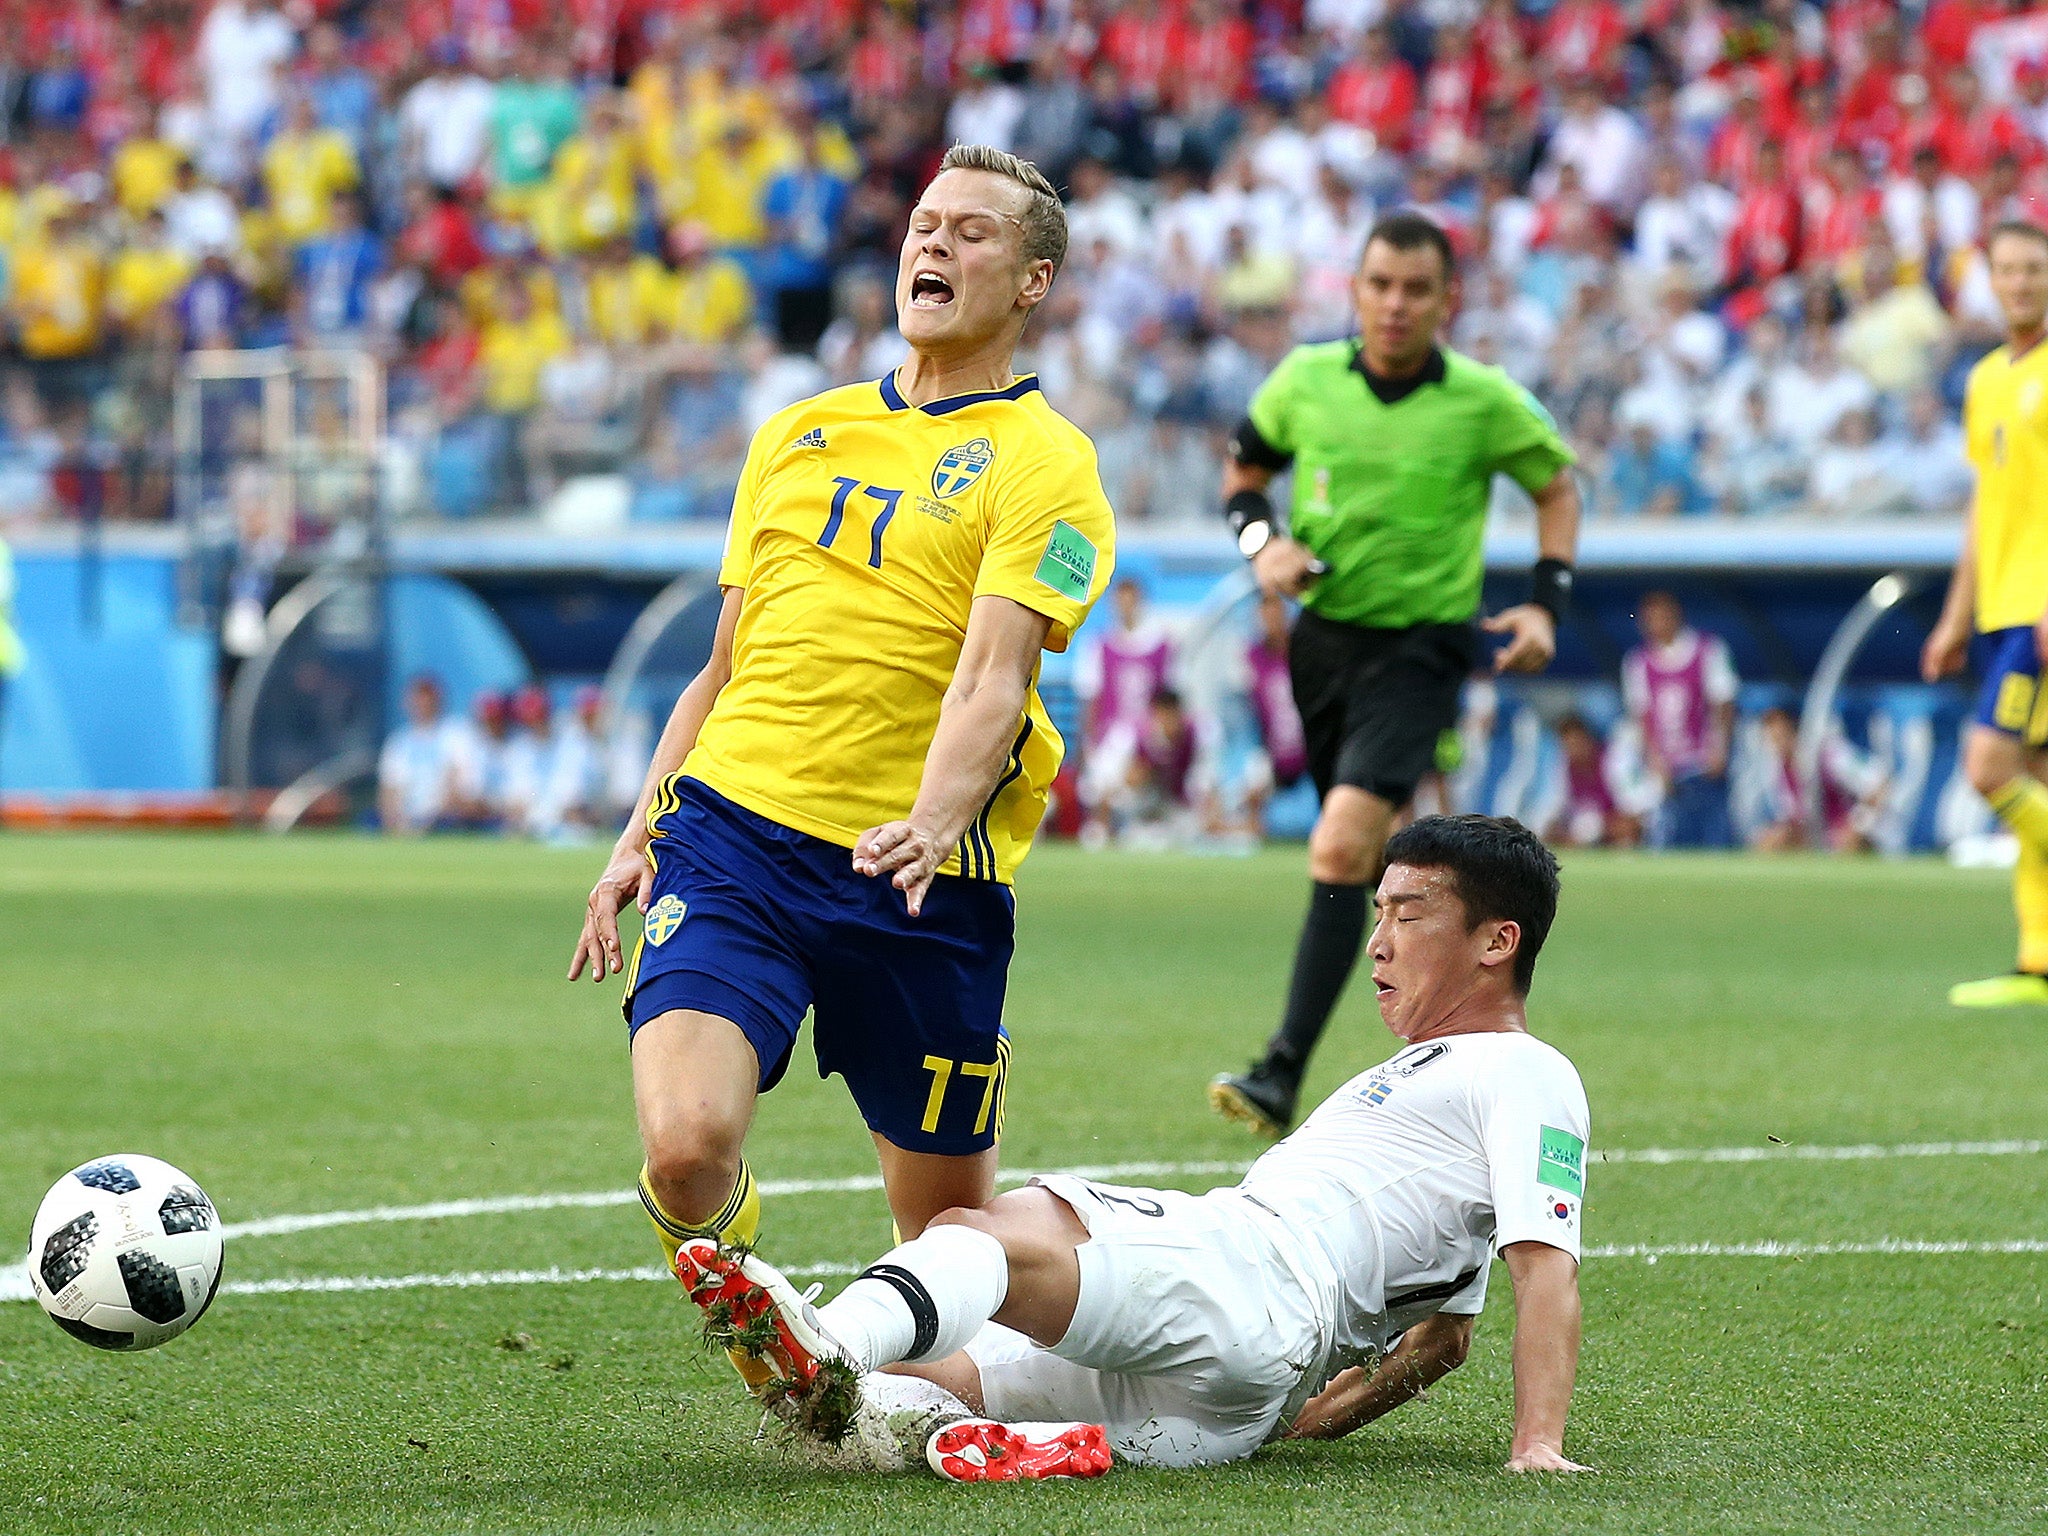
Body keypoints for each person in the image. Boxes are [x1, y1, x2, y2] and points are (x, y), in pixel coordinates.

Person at [566, 148, 1117, 1362]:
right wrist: (637, 829)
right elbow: (720, 666)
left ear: (1031, 281)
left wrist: (930, 816)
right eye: (924, 224)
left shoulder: (1048, 464)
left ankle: (1146, 1343)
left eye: (973, 234)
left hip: (919, 876)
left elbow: (992, 674)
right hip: (735, 833)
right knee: (685, 1144)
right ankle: (774, 1340)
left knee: (952, 1240)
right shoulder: (796, 434)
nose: (934, 246)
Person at [676, 816, 1592, 1481]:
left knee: (988, 1230)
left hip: (1258, 1267)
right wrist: (1306, 1420)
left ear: (1496, 942)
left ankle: (826, 1347)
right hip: (1240, 1400)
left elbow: (1543, 1268)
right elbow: (1447, 1338)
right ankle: (929, 1435)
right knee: (939, 1373)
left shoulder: (1523, 1069)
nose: (1377, 944)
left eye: (1408, 915)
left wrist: (1537, 1445)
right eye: (1378, 913)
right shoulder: (1446, 1088)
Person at [1208, 211, 1583, 1138]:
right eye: (1380, 285)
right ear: (1356, 290)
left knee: (1338, 846)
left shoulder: (1485, 401)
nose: (1396, 304)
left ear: (1448, 300)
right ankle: (1443, 1032)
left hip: (1422, 649)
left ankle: (1280, 1071)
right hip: (1323, 642)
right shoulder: (1305, 380)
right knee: (1370, 856)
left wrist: (1545, 603)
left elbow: (1557, 486)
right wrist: (1265, 546)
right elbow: (1245, 470)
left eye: (1417, 289)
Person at [1922, 220, 2048, 1008]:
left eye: (2034, 269)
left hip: (2038, 604)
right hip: (2001, 605)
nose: (2021, 283)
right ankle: (2039, 962)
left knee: (1988, 768)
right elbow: (1983, 506)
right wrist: (1953, 616)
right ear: (1990, 281)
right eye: (2007, 271)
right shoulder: (1985, 379)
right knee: (2034, 775)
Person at [1622, 591, 1737, 849]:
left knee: (1713, 836)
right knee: (1668, 837)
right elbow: (1642, 716)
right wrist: (1654, 760)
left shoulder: (1708, 649)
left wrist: (1720, 748)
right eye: (1650, 618)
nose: (1656, 624)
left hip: (1703, 764)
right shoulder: (1637, 663)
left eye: (1662, 616)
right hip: (1668, 769)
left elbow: (1724, 702)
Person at [377, 674, 482, 835]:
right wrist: (395, 821)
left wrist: (434, 817)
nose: (423, 702)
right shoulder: (398, 742)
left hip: (446, 822)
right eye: (419, 697)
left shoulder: (457, 733)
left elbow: (460, 782)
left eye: (428, 696)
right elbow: (389, 789)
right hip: (408, 822)